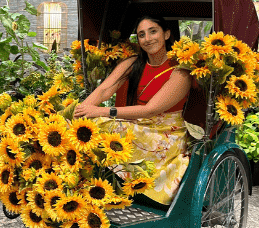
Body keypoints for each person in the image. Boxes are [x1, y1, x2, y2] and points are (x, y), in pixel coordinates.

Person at [74, 15, 193, 205]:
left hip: (166, 134)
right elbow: (104, 90)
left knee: (102, 126)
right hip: (137, 125)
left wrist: (102, 112)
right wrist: (81, 112)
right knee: (84, 127)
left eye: (153, 31)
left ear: (167, 34)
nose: (148, 38)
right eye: (142, 35)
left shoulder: (180, 71)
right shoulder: (133, 63)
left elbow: (150, 110)